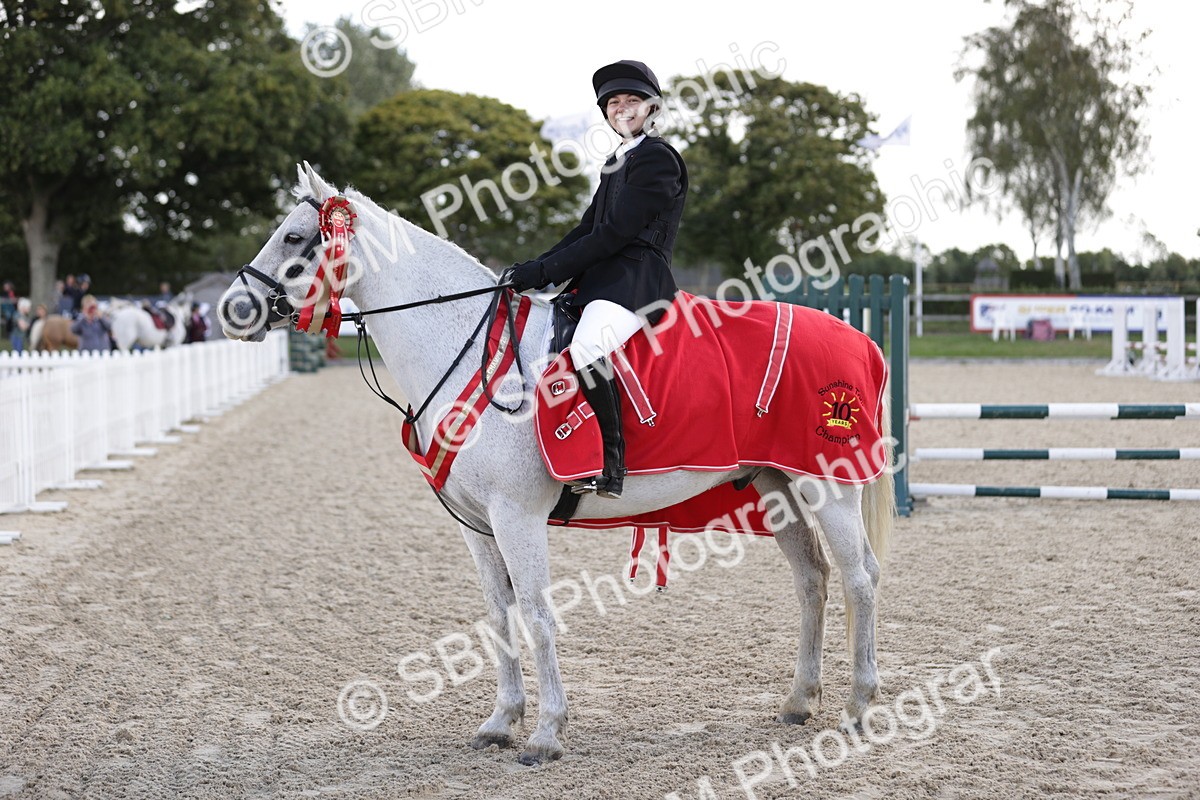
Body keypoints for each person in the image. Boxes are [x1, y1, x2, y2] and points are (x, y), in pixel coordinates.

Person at [506, 60, 688, 499]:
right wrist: (533, 268)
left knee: (587, 348)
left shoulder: (658, 159)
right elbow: (587, 229)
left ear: (651, 107)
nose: (621, 108)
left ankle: (612, 462)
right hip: (603, 278)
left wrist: (548, 271)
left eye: (632, 100)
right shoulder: (616, 161)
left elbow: (616, 233)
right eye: (613, 103)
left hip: (637, 280)